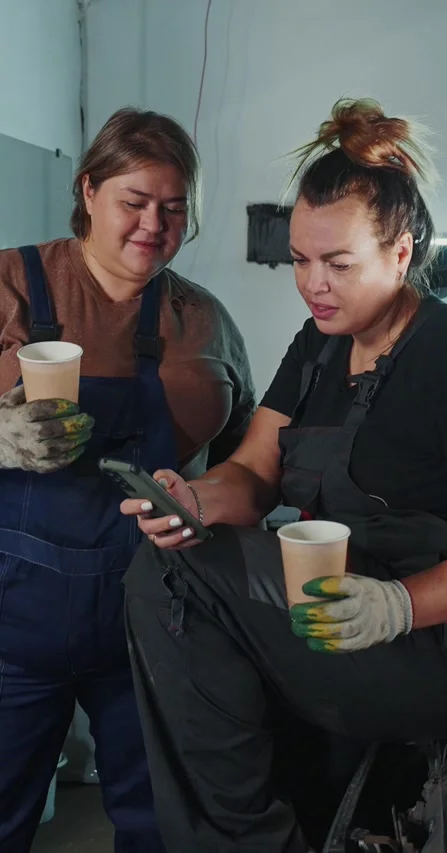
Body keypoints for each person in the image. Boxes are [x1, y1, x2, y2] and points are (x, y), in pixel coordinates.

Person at [122, 97, 447, 853]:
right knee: (170, 562)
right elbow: (255, 471)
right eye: (300, 260)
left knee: (179, 578)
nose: (314, 284)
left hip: (443, 642)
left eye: (339, 264)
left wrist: (400, 605)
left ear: (401, 252)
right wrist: (193, 501)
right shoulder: (318, 346)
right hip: (340, 614)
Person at [0, 107, 255, 852]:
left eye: (173, 208)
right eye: (134, 202)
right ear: (87, 190)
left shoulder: (203, 321)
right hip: (11, 626)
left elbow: (248, 457)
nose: (153, 225)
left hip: (154, 625)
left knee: (162, 822)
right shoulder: (11, 282)